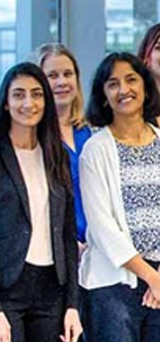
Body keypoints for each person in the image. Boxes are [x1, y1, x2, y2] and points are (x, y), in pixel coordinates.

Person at [78, 52, 160, 342]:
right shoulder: (95, 149)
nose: (123, 89)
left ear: (145, 86)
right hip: (114, 284)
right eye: (112, 84)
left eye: (131, 80)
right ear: (103, 95)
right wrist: (150, 277)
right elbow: (102, 228)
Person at [0, 62, 83, 342]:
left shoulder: (55, 153)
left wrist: (72, 304)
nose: (28, 103)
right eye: (18, 94)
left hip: (51, 287)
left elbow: (66, 233)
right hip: (8, 288)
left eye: (36, 94)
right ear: (6, 103)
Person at [33, 43, 94, 249]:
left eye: (68, 74)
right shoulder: (34, 138)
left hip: (99, 248)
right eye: (52, 76)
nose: (62, 82)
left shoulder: (92, 131)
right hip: (58, 248)